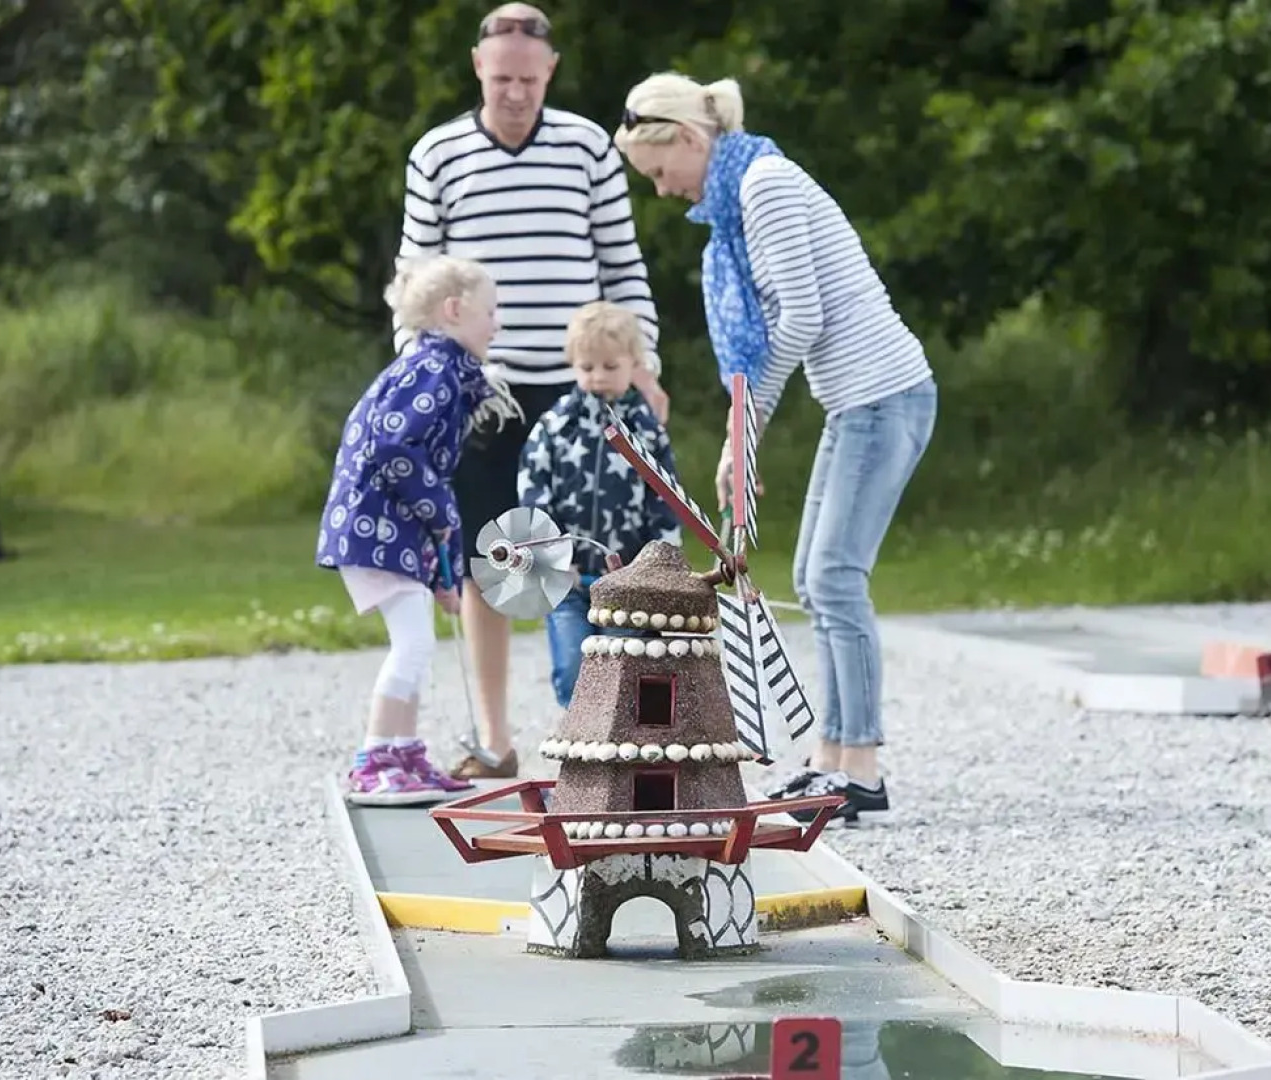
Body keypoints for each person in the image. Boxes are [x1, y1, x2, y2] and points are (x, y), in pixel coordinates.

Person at [614, 73, 938, 823]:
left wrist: (747, 428)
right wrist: (741, 436)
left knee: (833, 576)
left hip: (883, 397)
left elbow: (800, 317)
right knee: (812, 574)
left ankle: (860, 768)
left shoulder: (764, 187)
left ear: (690, 141)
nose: (662, 192)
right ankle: (832, 759)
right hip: (857, 402)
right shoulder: (745, 193)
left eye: (661, 173)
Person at [394, 2, 666, 780]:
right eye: (501, 77)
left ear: (549, 72)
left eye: (528, 78)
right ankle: (493, 737)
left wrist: (644, 368)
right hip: (482, 390)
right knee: (494, 561)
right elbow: (415, 285)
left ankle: (599, 731)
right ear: (479, 69)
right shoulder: (438, 154)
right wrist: (425, 385)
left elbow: (623, 266)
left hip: (584, 385)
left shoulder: (586, 148)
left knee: (592, 555)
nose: (514, 92)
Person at [316, 254, 519, 806]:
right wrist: (444, 512)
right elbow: (391, 445)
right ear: (454, 310)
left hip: (385, 531)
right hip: (372, 530)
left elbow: (415, 461)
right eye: (490, 311)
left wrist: (441, 560)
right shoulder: (433, 371)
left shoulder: (444, 370)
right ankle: (374, 760)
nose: (496, 323)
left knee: (417, 641)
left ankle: (403, 753)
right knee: (412, 644)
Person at [517, 301, 682, 708]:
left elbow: (665, 501)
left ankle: (617, 751)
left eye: (610, 367)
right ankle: (578, 742)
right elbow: (533, 490)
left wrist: (656, 568)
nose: (598, 377)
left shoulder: (645, 432)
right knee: (573, 664)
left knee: (622, 665)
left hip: (626, 579)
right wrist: (550, 557)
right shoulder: (555, 426)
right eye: (587, 367)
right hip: (567, 578)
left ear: (634, 364)